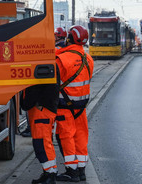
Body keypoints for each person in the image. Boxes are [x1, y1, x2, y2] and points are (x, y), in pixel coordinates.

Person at [54, 25, 94, 182]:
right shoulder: (88, 58)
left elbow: (54, 83)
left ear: (69, 38)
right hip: (81, 107)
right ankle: (82, 170)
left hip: (65, 106)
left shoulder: (61, 59)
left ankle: (72, 170)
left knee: (66, 137)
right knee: (81, 136)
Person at [22, 30, 62, 183]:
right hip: (44, 109)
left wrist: (26, 104)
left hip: (42, 110)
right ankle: (47, 172)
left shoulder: (42, 64)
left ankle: (50, 174)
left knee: (42, 143)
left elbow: (34, 89)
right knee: (42, 142)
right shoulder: (48, 61)